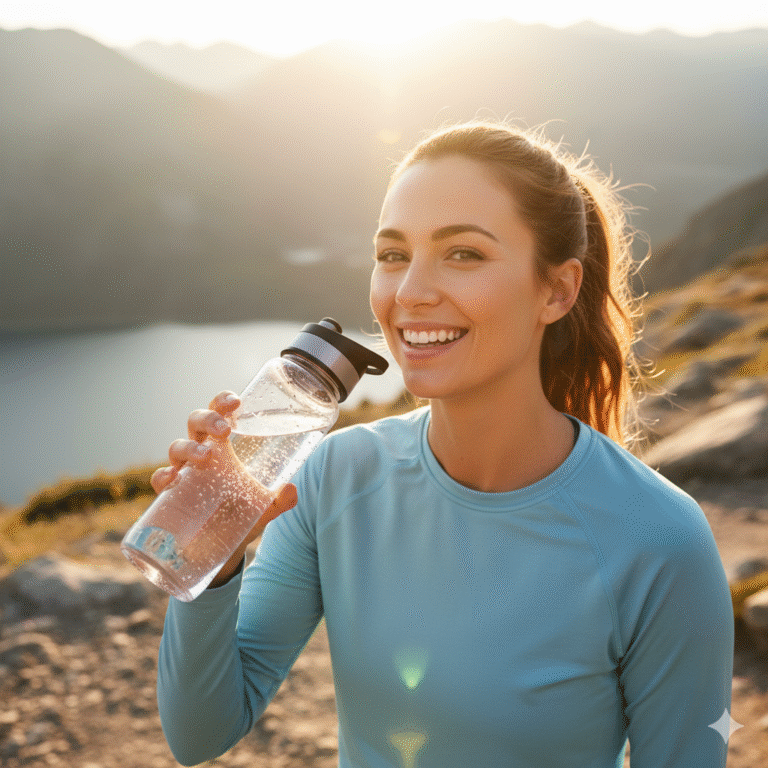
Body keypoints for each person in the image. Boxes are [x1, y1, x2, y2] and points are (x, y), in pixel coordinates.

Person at [153, 121, 734, 767]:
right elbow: (199, 734)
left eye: (463, 254)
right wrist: (211, 561)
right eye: (393, 254)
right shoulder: (333, 477)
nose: (410, 293)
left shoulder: (658, 540)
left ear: (557, 290)